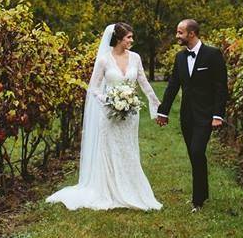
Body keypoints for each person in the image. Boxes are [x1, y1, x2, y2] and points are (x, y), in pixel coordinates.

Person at [46, 22, 162, 210]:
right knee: (109, 150)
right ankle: (109, 190)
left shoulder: (135, 58)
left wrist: (156, 105)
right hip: (109, 113)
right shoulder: (104, 61)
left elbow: (143, 82)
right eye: (128, 37)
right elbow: (93, 87)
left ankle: (131, 188)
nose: (132, 40)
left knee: (128, 149)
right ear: (118, 39)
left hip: (130, 114)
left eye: (132, 37)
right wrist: (109, 101)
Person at [156, 19, 228, 212]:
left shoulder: (213, 55)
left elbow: (221, 88)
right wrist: (163, 111)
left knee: (197, 151)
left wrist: (217, 115)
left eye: (180, 32)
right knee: (194, 155)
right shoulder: (180, 58)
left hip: (206, 116)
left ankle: (197, 201)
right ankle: (202, 194)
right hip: (187, 115)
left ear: (192, 33)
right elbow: (173, 86)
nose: (177, 36)